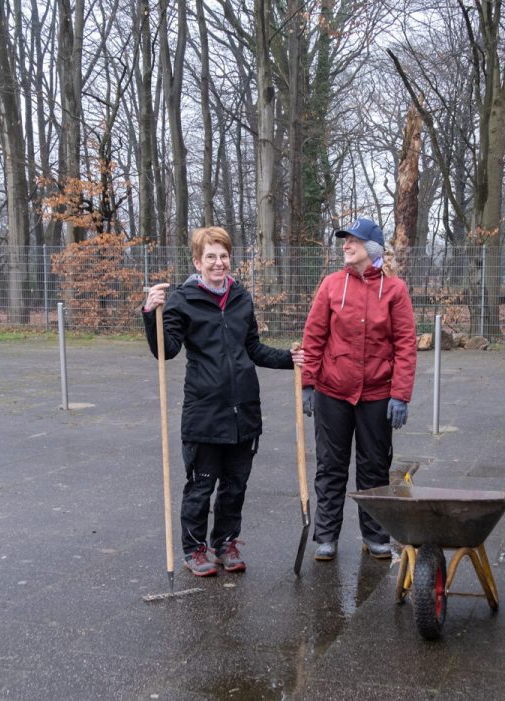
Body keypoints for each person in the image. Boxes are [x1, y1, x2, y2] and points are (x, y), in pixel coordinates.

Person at [142, 226, 304, 577]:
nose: (218, 262)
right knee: (201, 486)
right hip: (204, 411)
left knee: (235, 486)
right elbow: (166, 350)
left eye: (224, 256)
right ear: (197, 262)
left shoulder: (240, 297)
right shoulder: (183, 300)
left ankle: (225, 543)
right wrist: (150, 312)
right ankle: (194, 549)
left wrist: (289, 358)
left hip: (243, 410)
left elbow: (253, 348)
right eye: (211, 256)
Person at [301, 218, 417, 561]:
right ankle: (326, 536)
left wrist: (400, 394)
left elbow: (405, 345)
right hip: (333, 391)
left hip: (377, 394)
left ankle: (375, 535)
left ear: (372, 247)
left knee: (374, 467)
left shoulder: (395, 290)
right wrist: (308, 382)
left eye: (353, 240)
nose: (346, 245)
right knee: (330, 466)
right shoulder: (331, 285)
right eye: (345, 240)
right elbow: (314, 336)